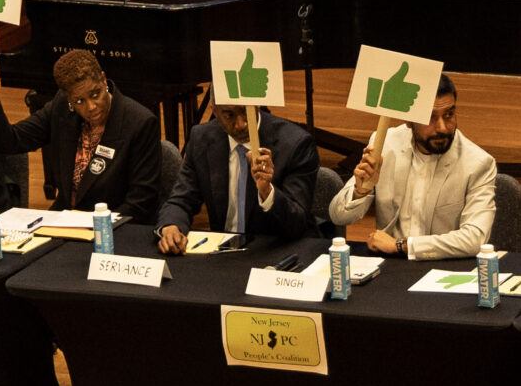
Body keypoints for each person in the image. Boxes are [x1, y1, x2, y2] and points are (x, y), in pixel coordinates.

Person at [0, 46, 166, 224]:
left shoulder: (139, 123)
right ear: (69, 99)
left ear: (103, 79)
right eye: (79, 101)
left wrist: (93, 227)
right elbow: (10, 141)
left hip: (115, 229)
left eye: (95, 94)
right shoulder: (62, 109)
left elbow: (140, 205)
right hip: (65, 222)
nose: (91, 107)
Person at [328, 74, 500, 258]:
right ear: (409, 121)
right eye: (431, 117)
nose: (442, 127)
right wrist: (361, 190)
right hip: (389, 265)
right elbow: (338, 216)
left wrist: (402, 245)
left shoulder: (478, 163)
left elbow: (474, 239)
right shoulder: (385, 143)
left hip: (443, 266)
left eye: (449, 114)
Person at [158, 94, 317, 253]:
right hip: (223, 254)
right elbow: (182, 199)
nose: (241, 124)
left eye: (246, 111)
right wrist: (171, 226)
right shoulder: (201, 138)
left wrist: (267, 192)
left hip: (276, 251)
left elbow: (298, 223)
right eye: (229, 115)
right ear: (215, 110)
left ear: (257, 105)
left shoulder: (295, 144)